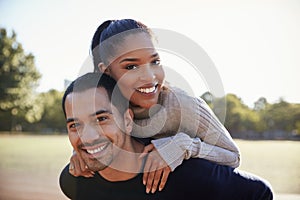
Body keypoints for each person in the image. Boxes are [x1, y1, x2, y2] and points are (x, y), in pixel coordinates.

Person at [69, 19, 241, 193]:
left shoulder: (183, 106)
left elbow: (233, 156)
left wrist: (182, 146)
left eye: (155, 62)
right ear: (106, 71)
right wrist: (84, 153)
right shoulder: (102, 109)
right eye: (132, 66)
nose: (149, 76)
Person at [60, 72, 273, 200]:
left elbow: (259, 193)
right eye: (75, 125)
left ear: (127, 119)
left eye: (102, 119)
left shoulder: (187, 175)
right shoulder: (75, 182)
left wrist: (184, 146)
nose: (86, 136)